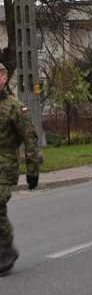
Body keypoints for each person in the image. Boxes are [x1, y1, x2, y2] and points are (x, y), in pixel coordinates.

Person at [0, 64, 41, 275]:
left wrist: (33, 169)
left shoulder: (15, 107)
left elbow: (30, 138)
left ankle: (7, 250)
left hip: (5, 165)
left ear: (5, 78)